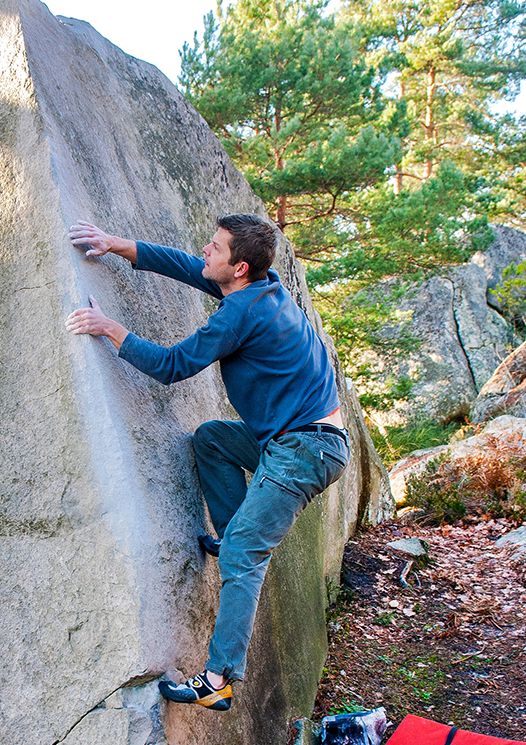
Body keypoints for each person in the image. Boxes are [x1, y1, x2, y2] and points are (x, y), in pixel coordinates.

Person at [66, 215, 349, 712]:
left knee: (244, 555)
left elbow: (173, 366)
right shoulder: (263, 287)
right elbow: (190, 267)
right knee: (213, 439)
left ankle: (218, 679)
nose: (206, 250)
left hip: (305, 449)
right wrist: (115, 244)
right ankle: (236, 532)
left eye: (215, 247)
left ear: (239, 267)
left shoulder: (241, 314)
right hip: (297, 440)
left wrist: (111, 329)